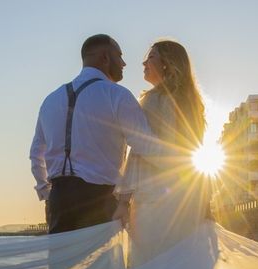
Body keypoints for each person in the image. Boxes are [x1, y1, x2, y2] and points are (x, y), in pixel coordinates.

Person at [29, 34, 163, 235]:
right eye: (119, 56)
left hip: (58, 201)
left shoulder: (50, 100)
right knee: (103, 265)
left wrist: (46, 195)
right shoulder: (117, 94)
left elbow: (35, 154)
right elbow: (145, 146)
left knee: (62, 265)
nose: (124, 63)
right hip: (100, 200)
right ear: (105, 58)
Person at [117, 40, 211, 267]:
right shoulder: (192, 103)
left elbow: (140, 150)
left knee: (149, 268)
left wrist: (123, 199)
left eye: (151, 57)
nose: (143, 62)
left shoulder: (153, 100)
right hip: (186, 199)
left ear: (167, 64)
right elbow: (195, 156)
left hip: (153, 199)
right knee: (180, 268)